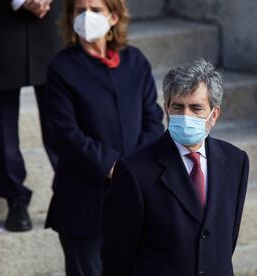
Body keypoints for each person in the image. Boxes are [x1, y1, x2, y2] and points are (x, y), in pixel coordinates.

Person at [44, 0, 164, 274]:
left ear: (113, 17)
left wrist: (135, 166)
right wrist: (112, 165)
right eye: (79, 10)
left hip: (135, 198)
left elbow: (153, 119)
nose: (86, 16)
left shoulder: (136, 62)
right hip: (83, 203)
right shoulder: (62, 67)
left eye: (95, 10)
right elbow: (65, 133)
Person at [101, 59, 250, 276]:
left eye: (196, 108)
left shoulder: (236, 161)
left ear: (214, 114)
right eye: (178, 107)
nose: (185, 116)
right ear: (167, 109)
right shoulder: (135, 170)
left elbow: (226, 241)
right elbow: (117, 255)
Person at [0, 0, 60, 232]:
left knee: (61, 116)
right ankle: (15, 198)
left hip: (52, 15)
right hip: (0, 19)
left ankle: (69, 189)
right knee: (2, 122)